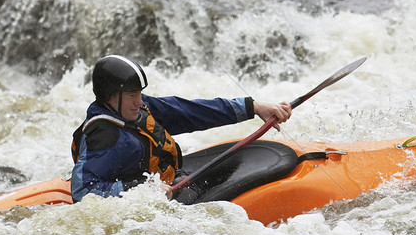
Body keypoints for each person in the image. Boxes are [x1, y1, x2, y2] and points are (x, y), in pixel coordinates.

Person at [71, 54, 292, 202]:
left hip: (168, 181)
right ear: (110, 97)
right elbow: (83, 192)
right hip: (154, 194)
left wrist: (252, 107)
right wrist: (142, 190)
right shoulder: (104, 136)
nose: (139, 101)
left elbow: (191, 112)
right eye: (132, 96)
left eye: (139, 94)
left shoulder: (138, 109)